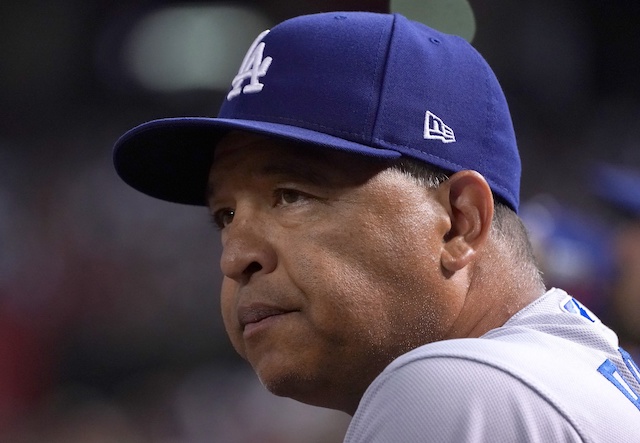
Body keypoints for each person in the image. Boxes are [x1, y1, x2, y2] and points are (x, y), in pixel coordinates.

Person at [113, 11, 640, 441]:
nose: (235, 257)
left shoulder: (460, 389)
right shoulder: (558, 376)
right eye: (224, 216)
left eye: (291, 195)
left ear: (460, 222)